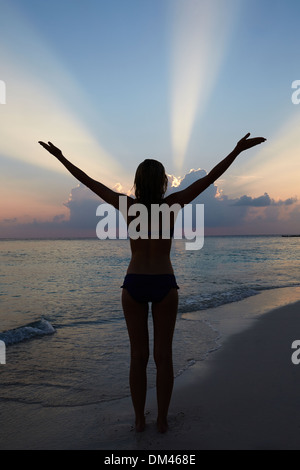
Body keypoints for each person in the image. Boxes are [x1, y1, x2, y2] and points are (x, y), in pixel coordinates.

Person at [39, 132, 266, 433]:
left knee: (138, 357)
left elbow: (90, 183)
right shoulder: (173, 204)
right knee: (163, 357)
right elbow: (210, 178)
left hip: (133, 283)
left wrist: (62, 157)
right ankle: (161, 419)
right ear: (162, 182)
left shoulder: (128, 207)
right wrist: (236, 150)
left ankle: (138, 419)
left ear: (137, 181)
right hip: (164, 283)